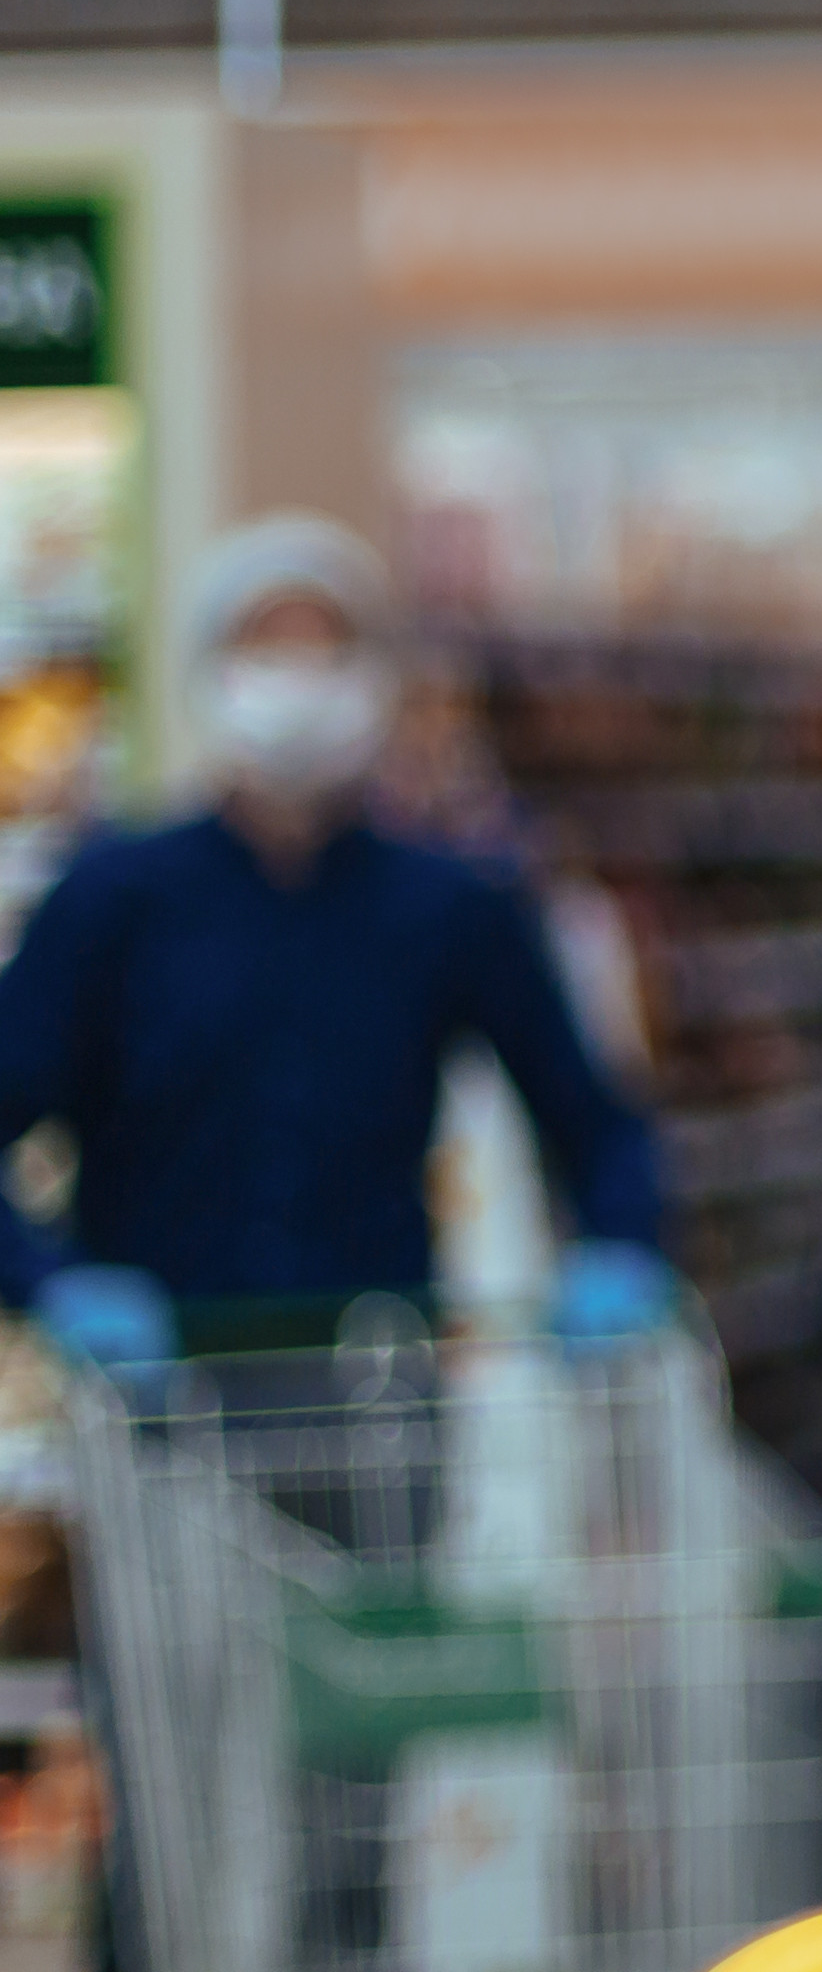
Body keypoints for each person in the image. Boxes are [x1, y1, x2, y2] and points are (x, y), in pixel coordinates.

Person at [0, 513, 669, 1370]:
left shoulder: (450, 905)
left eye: (326, 652)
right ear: (206, 672)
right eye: (266, 650)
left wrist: (621, 1247)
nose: (298, 683)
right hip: (160, 1407)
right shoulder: (112, 897)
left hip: (376, 1390)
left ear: (376, 678)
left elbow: (596, 1120)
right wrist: (48, 1281)